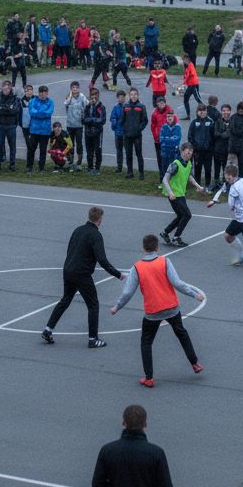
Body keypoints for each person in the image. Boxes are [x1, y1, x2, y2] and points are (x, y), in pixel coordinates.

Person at [112, 235, 205, 388]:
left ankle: (149, 378)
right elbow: (177, 283)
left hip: (153, 312)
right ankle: (195, 363)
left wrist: (117, 307)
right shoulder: (164, 261)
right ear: (157, 248)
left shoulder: (137, 267)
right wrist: (194, 294)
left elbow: (128, 292)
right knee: (181, 333)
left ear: (143, 248)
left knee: (146, 342)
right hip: (171, 308)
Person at [42, 206, 123, 347]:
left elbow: (70, 249)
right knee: (93, 304)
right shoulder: (96, 235)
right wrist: (118, 274)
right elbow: (102, 259)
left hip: (68, 270)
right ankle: (93, 339)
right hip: (82, 274)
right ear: (100, 219)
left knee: (65, 300)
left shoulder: (78, 230)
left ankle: (48, 329)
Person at [160, 143, 205, 247]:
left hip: (180, 194)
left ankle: (165, 233)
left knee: (181, 216)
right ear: (182, 151)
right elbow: (165, 179)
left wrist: (198, 186)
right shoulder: (175, 164)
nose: (188, 155)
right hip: (174, 194)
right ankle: (176, 238)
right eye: (186, 152)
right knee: (187, 215)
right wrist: (170, 192)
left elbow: (189, 176)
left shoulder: (188, 163)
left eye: (190, 153)